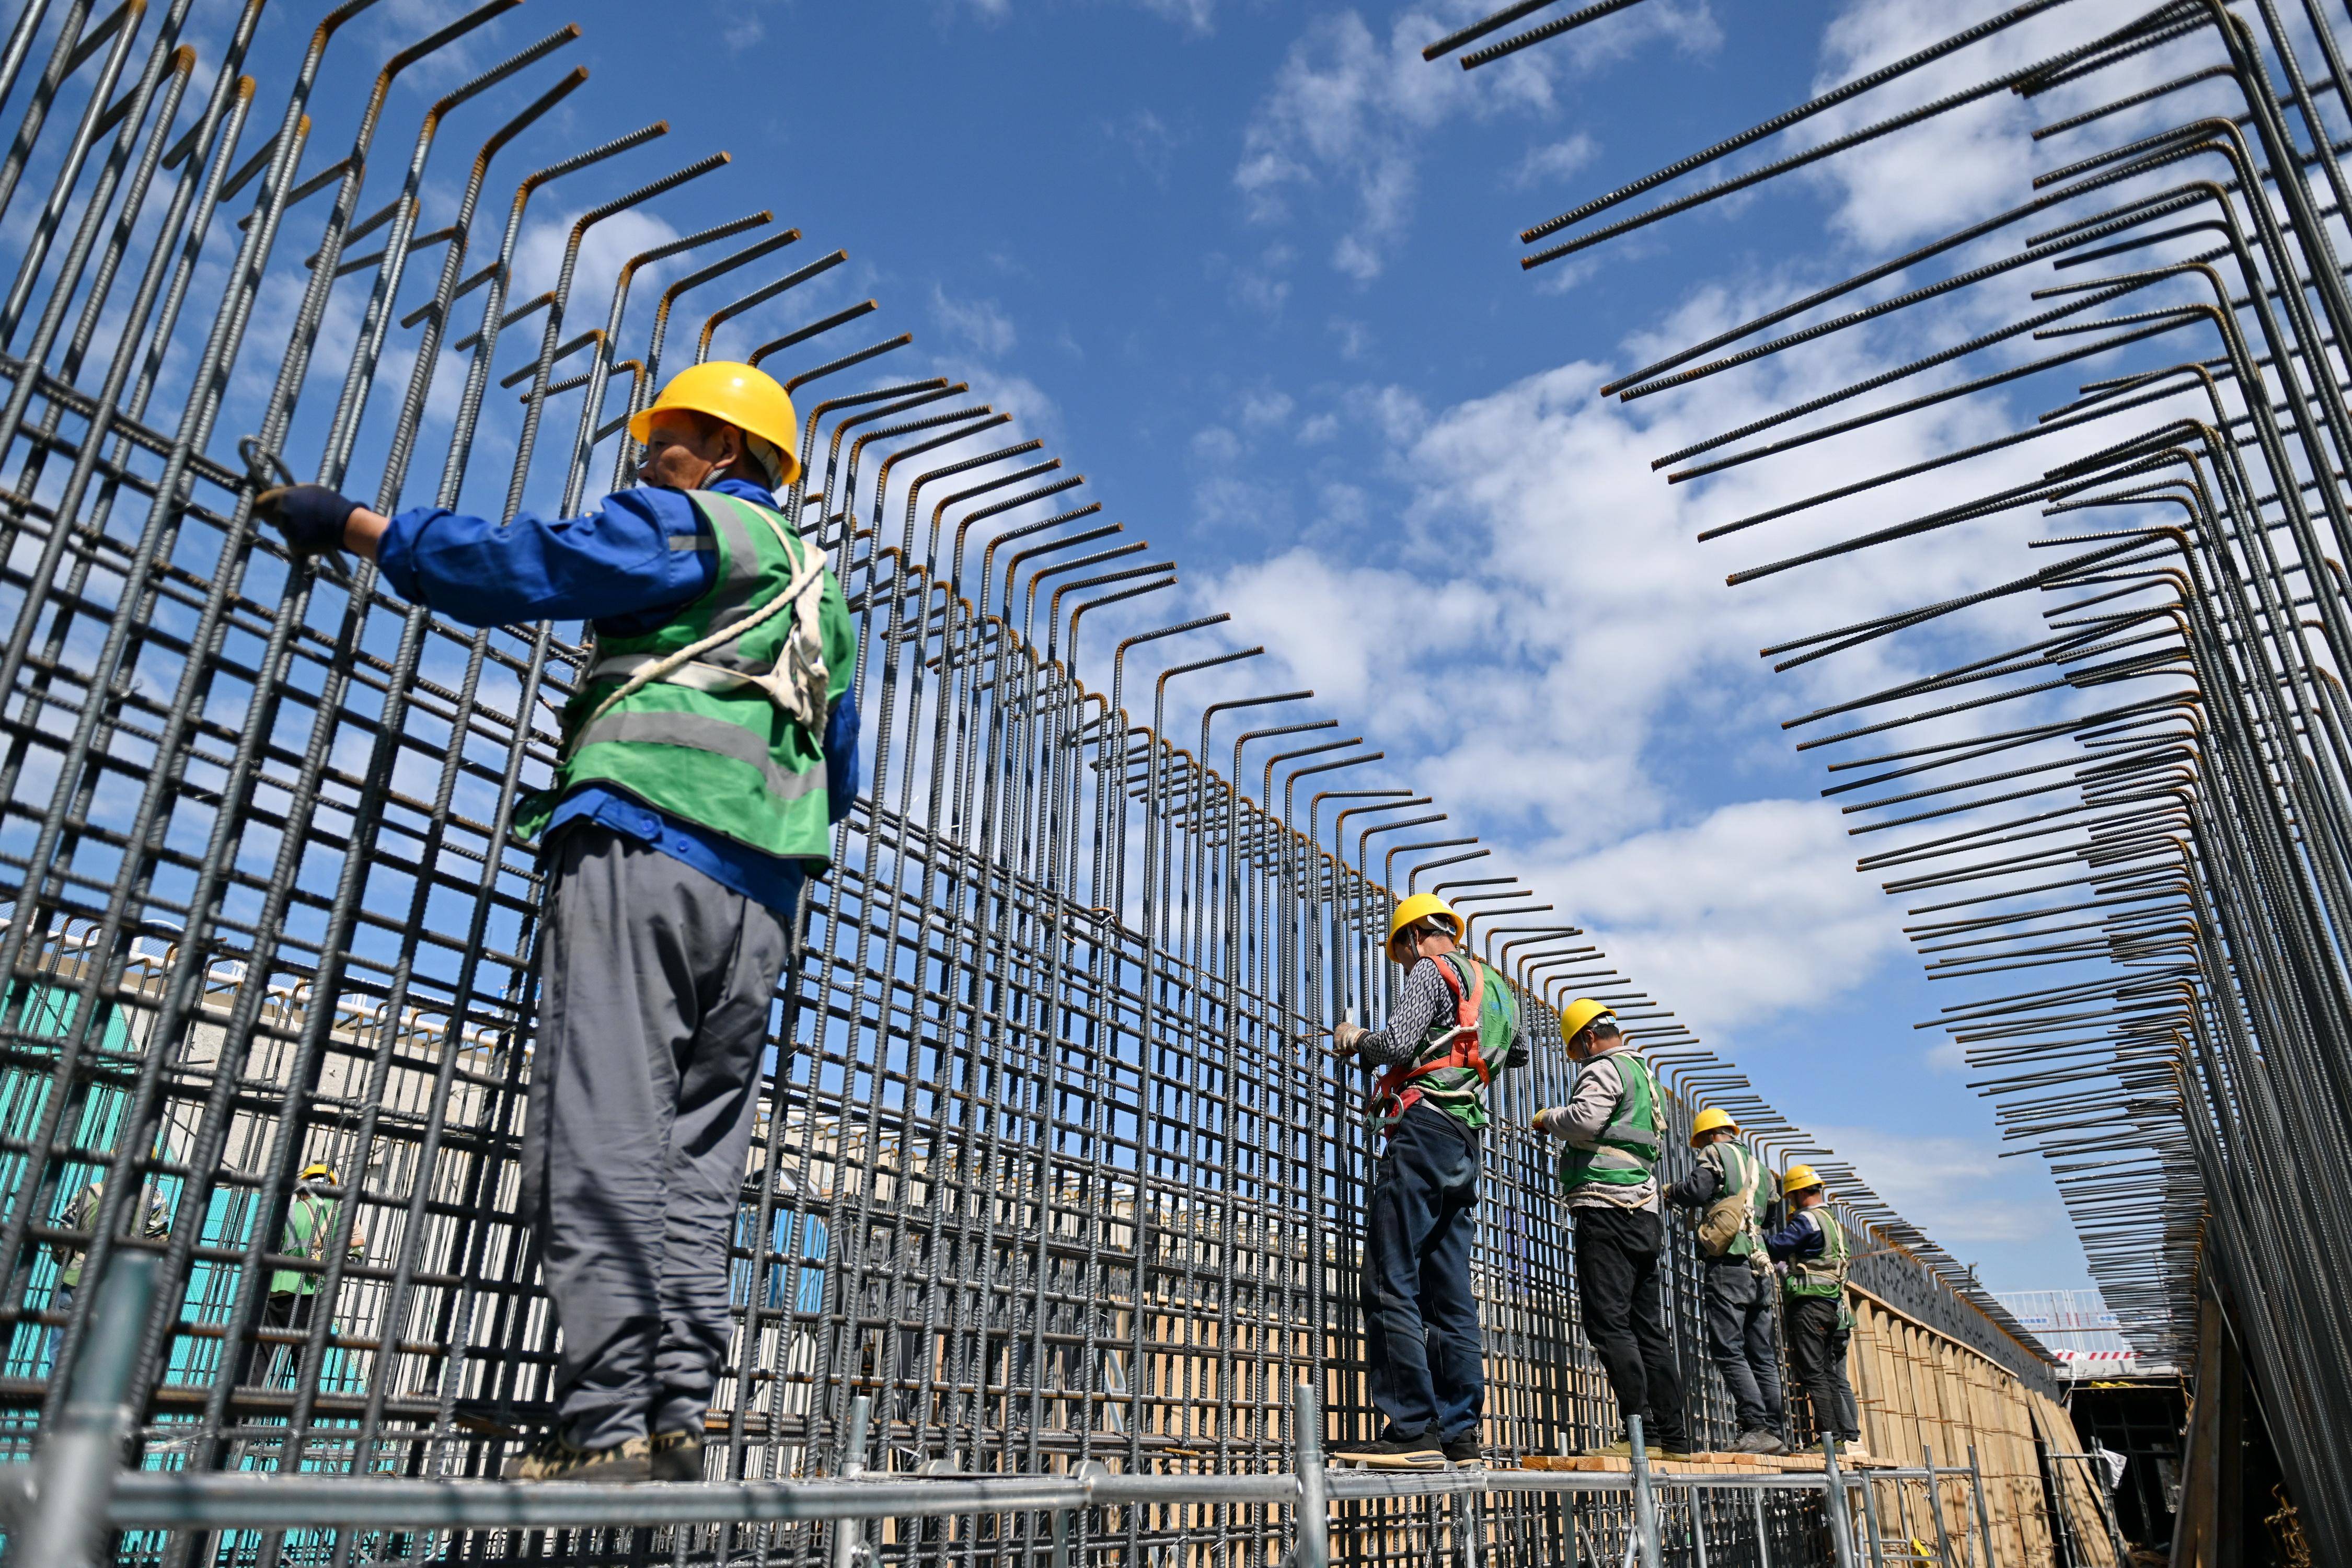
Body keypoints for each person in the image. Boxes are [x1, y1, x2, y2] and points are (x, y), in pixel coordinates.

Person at [254, 362, 860, 1484]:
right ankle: (674, 1417)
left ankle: (610, 1426)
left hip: (646, 850)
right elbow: (844, 772)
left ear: (721, 452)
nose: (645, 457)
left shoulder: (691, 525)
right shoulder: (823, 592)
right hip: (768, 902)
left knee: (605, 1133)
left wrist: (359, 526)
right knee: (697, 1165)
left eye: (665, 438)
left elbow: (526, 569)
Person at [1327, 893, 1524, 1469]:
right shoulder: (1496, 987)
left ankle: (1412, 1426)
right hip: (1466, 1140)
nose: (1405, 963)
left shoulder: (1430, 972)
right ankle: (1460, 1434)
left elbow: (1396, 1043)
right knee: (1451, 1293)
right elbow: (1518, 1056)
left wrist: (1354, 1038)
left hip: (1422, 1132)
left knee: (1392, 1278)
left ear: (1414, 938)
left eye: (1402, 953)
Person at [1532, 999, 1691, 1459]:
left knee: (1608, 1323)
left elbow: (1586, 1120)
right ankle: (1673, 1436)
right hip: (1644, 1212)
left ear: (1587, 1037)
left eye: (1577, 1049)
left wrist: (1548, 1119)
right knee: (1648, 1328)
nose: (1579, 1057)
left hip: (1606, 1207)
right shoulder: (1645, 1076)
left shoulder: (1603, 1068)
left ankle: (1641, 1430)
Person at [1663, 1107, 1785, 1454]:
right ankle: (1774, 1433)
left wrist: (1673, 1191)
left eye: (1699, 1141)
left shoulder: (1715, 1153)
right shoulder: (1763, 1169)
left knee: (1728, 1349)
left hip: (1729, 1262)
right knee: (1761, 1354)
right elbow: (1773, 1216)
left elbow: (1698, 1190)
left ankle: (1757, 1427)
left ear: (1709, 1136)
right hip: (1760, 1267)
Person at [1762, 1164, 1864, 1456]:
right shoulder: (1831, 1220)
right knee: (1829, 1373)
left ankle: (1830, 1441)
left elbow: (1778, 1246)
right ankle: (1843, 1437)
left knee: (1814, 1374)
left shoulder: (1808, 1219)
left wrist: (1755, 1238)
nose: (1791, 1202)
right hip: (1832, 1305)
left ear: (1801, 1192)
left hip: (1810, 1303)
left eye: (1792, 1196)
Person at [238, 1160, 365, 1387]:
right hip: (318, 1294)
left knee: (262, 1355)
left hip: (280, 1290)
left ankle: (241, 1413)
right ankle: (303, 1417)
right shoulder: (344, 1215)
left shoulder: (288, 1210)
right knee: (307, 1360)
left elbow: (267, 1248)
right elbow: (357, 1252)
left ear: (304, 1186)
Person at [49, 1173, 169, 1370]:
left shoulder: (88, 1193)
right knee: (111, 1354)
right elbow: (159, 1241)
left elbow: (63, 1238)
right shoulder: (153, 1197)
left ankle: (54, 1394)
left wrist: (65, 1261)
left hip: (79, 1279)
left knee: (62, 1351)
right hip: (123, 1283)